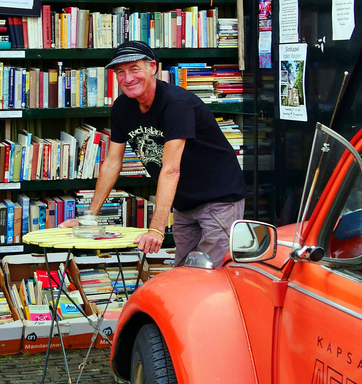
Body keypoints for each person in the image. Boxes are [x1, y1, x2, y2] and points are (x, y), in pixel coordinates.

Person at [63, 40, 245, 265]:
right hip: (183, 203)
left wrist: (157, 229)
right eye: (120, 72)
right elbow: (112, 163)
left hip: (218, 200)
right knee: (183, 275)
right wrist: (89, 218)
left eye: (134, 69)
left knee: (211, 277)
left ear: (152, 68)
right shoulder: (122, 108)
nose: (127, 79)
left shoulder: (176, 104)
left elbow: (171, 169)